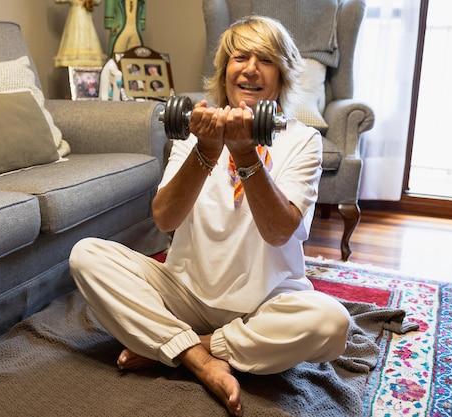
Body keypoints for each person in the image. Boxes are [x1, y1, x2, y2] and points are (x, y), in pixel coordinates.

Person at [69, 15, 350, 416]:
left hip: (266, 300)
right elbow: (165, 219)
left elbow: (279, 231)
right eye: (241, 57)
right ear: (225, 71)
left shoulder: (303, 141)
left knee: (331, 324)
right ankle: (201, 359)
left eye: (266, 60)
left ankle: (180, 345)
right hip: (184, 292)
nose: (251, 69)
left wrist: (244, 153)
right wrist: (207, 151)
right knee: (86, 255)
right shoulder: (195, 134)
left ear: (283, 76)